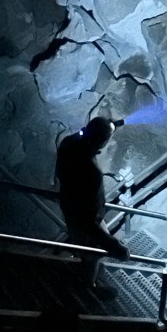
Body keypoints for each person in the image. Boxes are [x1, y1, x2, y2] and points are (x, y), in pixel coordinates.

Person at [55, 116, 129, 300]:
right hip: (85, 218)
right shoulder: (91, 172)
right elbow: (89, 220)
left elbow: (93, 132)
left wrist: (112, 124)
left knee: (87, 247)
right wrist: (113, 244)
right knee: (93, 250)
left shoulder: (68, 143)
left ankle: (85, 273)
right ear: (102, 144)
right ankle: (89, 287)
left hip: (68, 204)